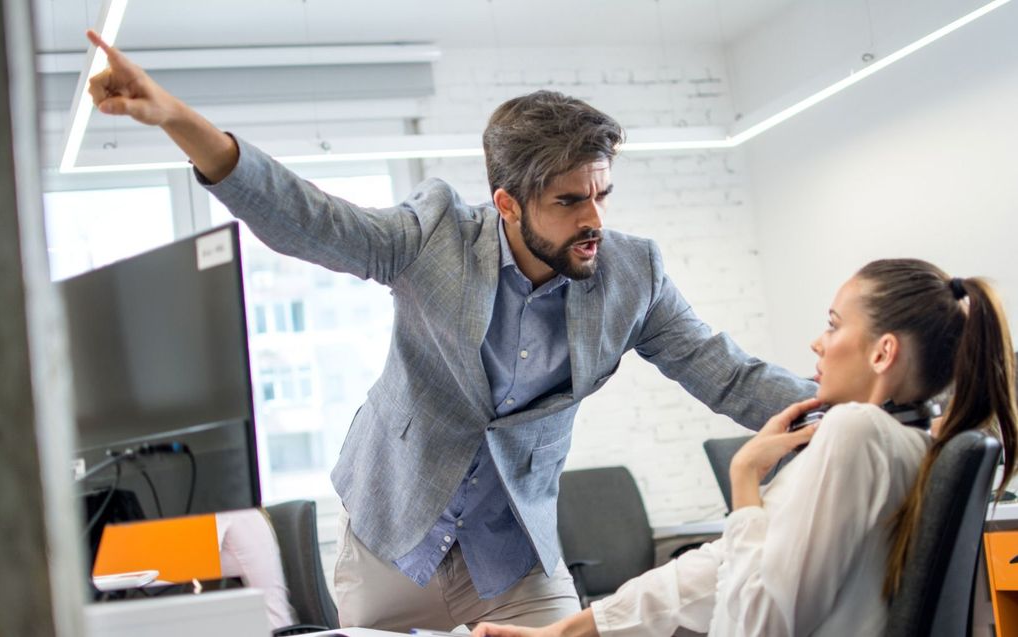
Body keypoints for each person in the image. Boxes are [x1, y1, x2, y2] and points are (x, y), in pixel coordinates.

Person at [85, 30, 816, 631]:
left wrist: (857, 409)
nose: (594, 217)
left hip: (516, 559)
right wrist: (178, 119)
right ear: (507, 202)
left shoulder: (633, 275)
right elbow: (309, 219)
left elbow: (727, 372)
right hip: (391, 543)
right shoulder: (433, 236)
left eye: (601, 194)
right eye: (569, 200)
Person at [472, 259, 1018, 637]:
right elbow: (727, 565)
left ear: (883, 353)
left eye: (833, 325)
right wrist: (580, 626)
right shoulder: (913, 441)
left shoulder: (856, 434)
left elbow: (756, 623)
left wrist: (744, 482)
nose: (817, 342)